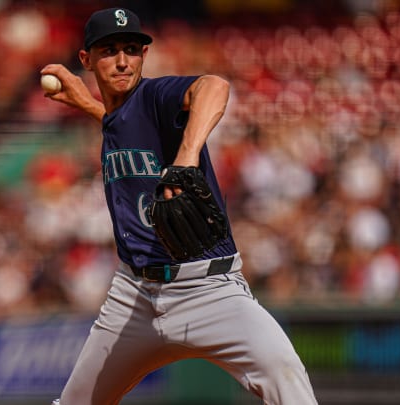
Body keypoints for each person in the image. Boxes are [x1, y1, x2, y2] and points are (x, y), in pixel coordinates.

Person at [41, 7, 317, 405]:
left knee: (286, 379)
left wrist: (186, 157)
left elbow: (215, 86)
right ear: (85, 60)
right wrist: (89, 106)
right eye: (109, 50)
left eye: (132, 49)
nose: (123, 61)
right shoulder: (118, 117)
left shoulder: (155, 95)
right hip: (134, 296)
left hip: (208, 289)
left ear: (144, 56)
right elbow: (123, 125)